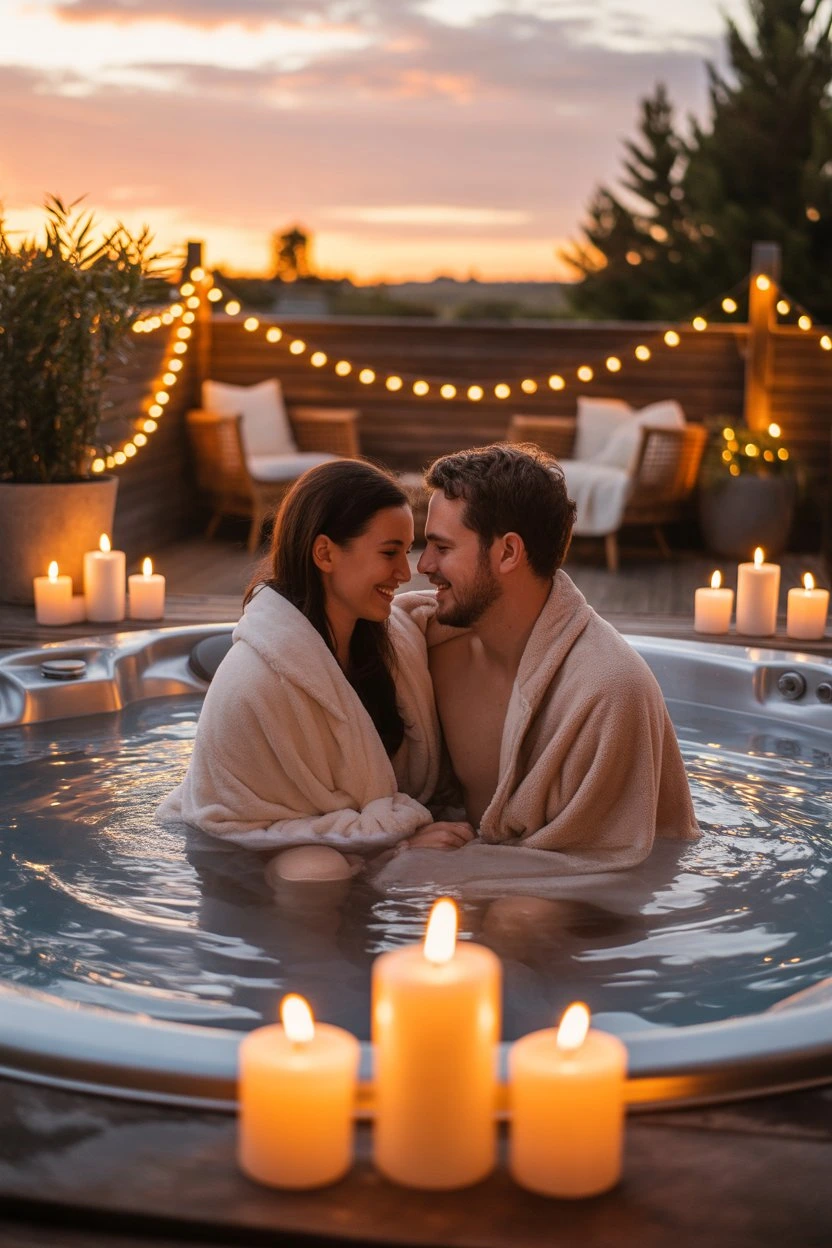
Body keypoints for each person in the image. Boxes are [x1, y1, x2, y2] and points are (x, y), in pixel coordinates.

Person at [392, 442, 699, 878]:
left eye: (442, 548)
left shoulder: (607, 692)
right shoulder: (423, 650)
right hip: (483, 873)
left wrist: (442, 864)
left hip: (584, 906)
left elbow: (602, 867)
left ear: (508, 553)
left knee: (520, 918)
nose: (422, 565)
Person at [157, 460, 473, 875]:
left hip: (357, 847)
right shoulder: (255, 682)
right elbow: (229, 825)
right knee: (314, 870)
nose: (405, 572)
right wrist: (397, 842)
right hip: (250, 867)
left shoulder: (391, 643)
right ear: (324, 553)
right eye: (389, 553)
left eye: (407, 550)